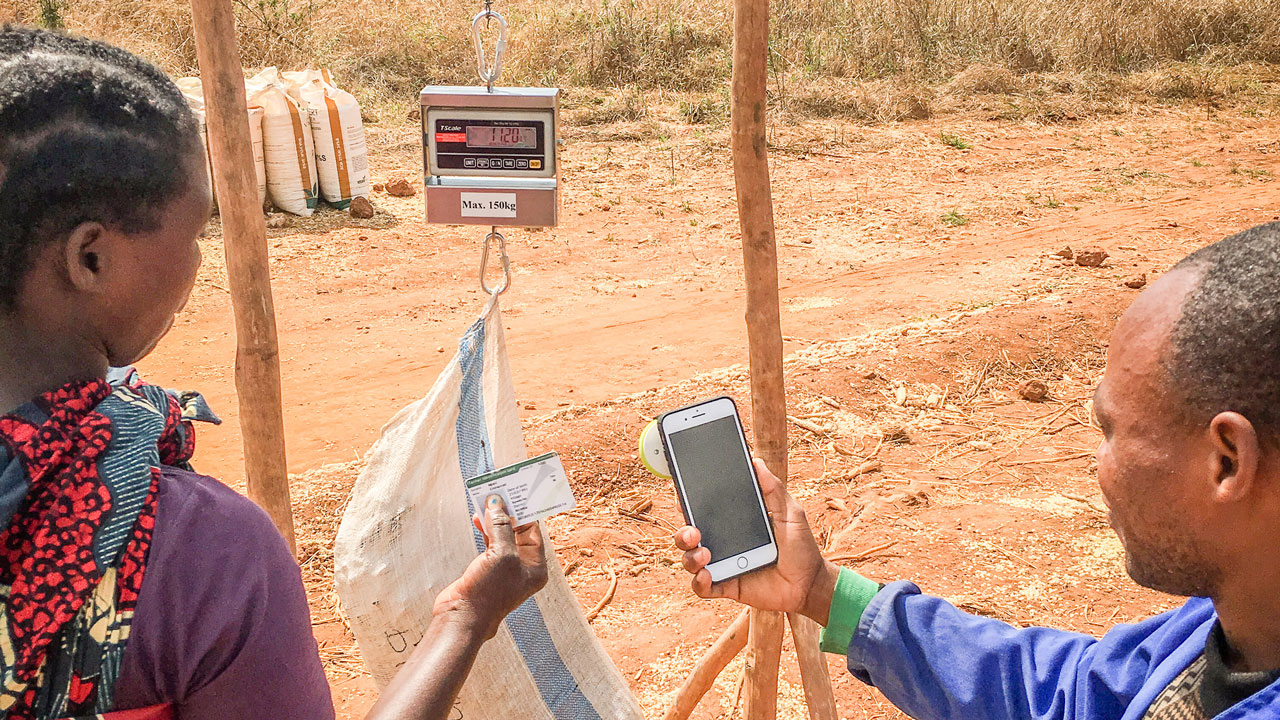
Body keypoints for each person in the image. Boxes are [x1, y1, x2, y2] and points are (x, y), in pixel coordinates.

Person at [0, 25, 547, 720]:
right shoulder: (200, 558)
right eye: (196, 229)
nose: (199, 264)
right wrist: (466, 619)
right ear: (91, 259)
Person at [676, 223, 1280, 719]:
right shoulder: (1228, 629)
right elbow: (1065, 695)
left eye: (1112, 431)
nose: (1098, 467)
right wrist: (819, 590)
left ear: (1227, 461)